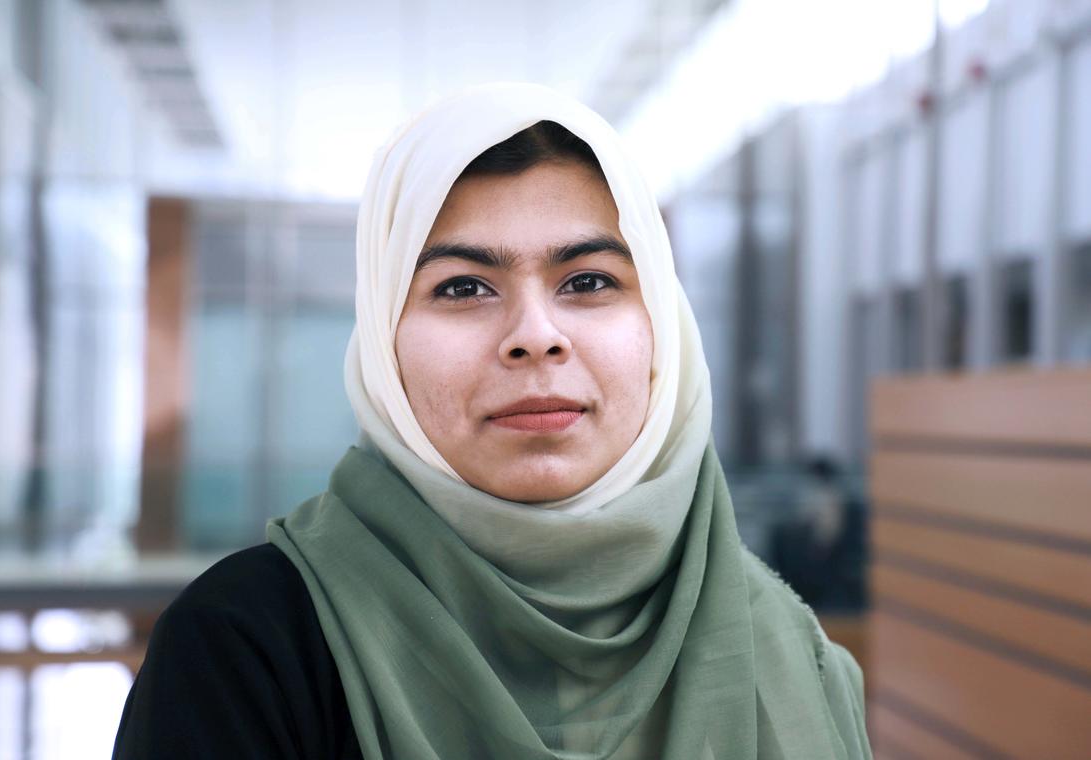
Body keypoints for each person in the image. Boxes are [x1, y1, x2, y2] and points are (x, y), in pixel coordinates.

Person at [113, 83, 872, 759]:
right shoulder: (242, 652)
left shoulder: (791, 654)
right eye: (463, 288)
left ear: (662, 334)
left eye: (587, 280)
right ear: (385, 344)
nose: (534, 334)